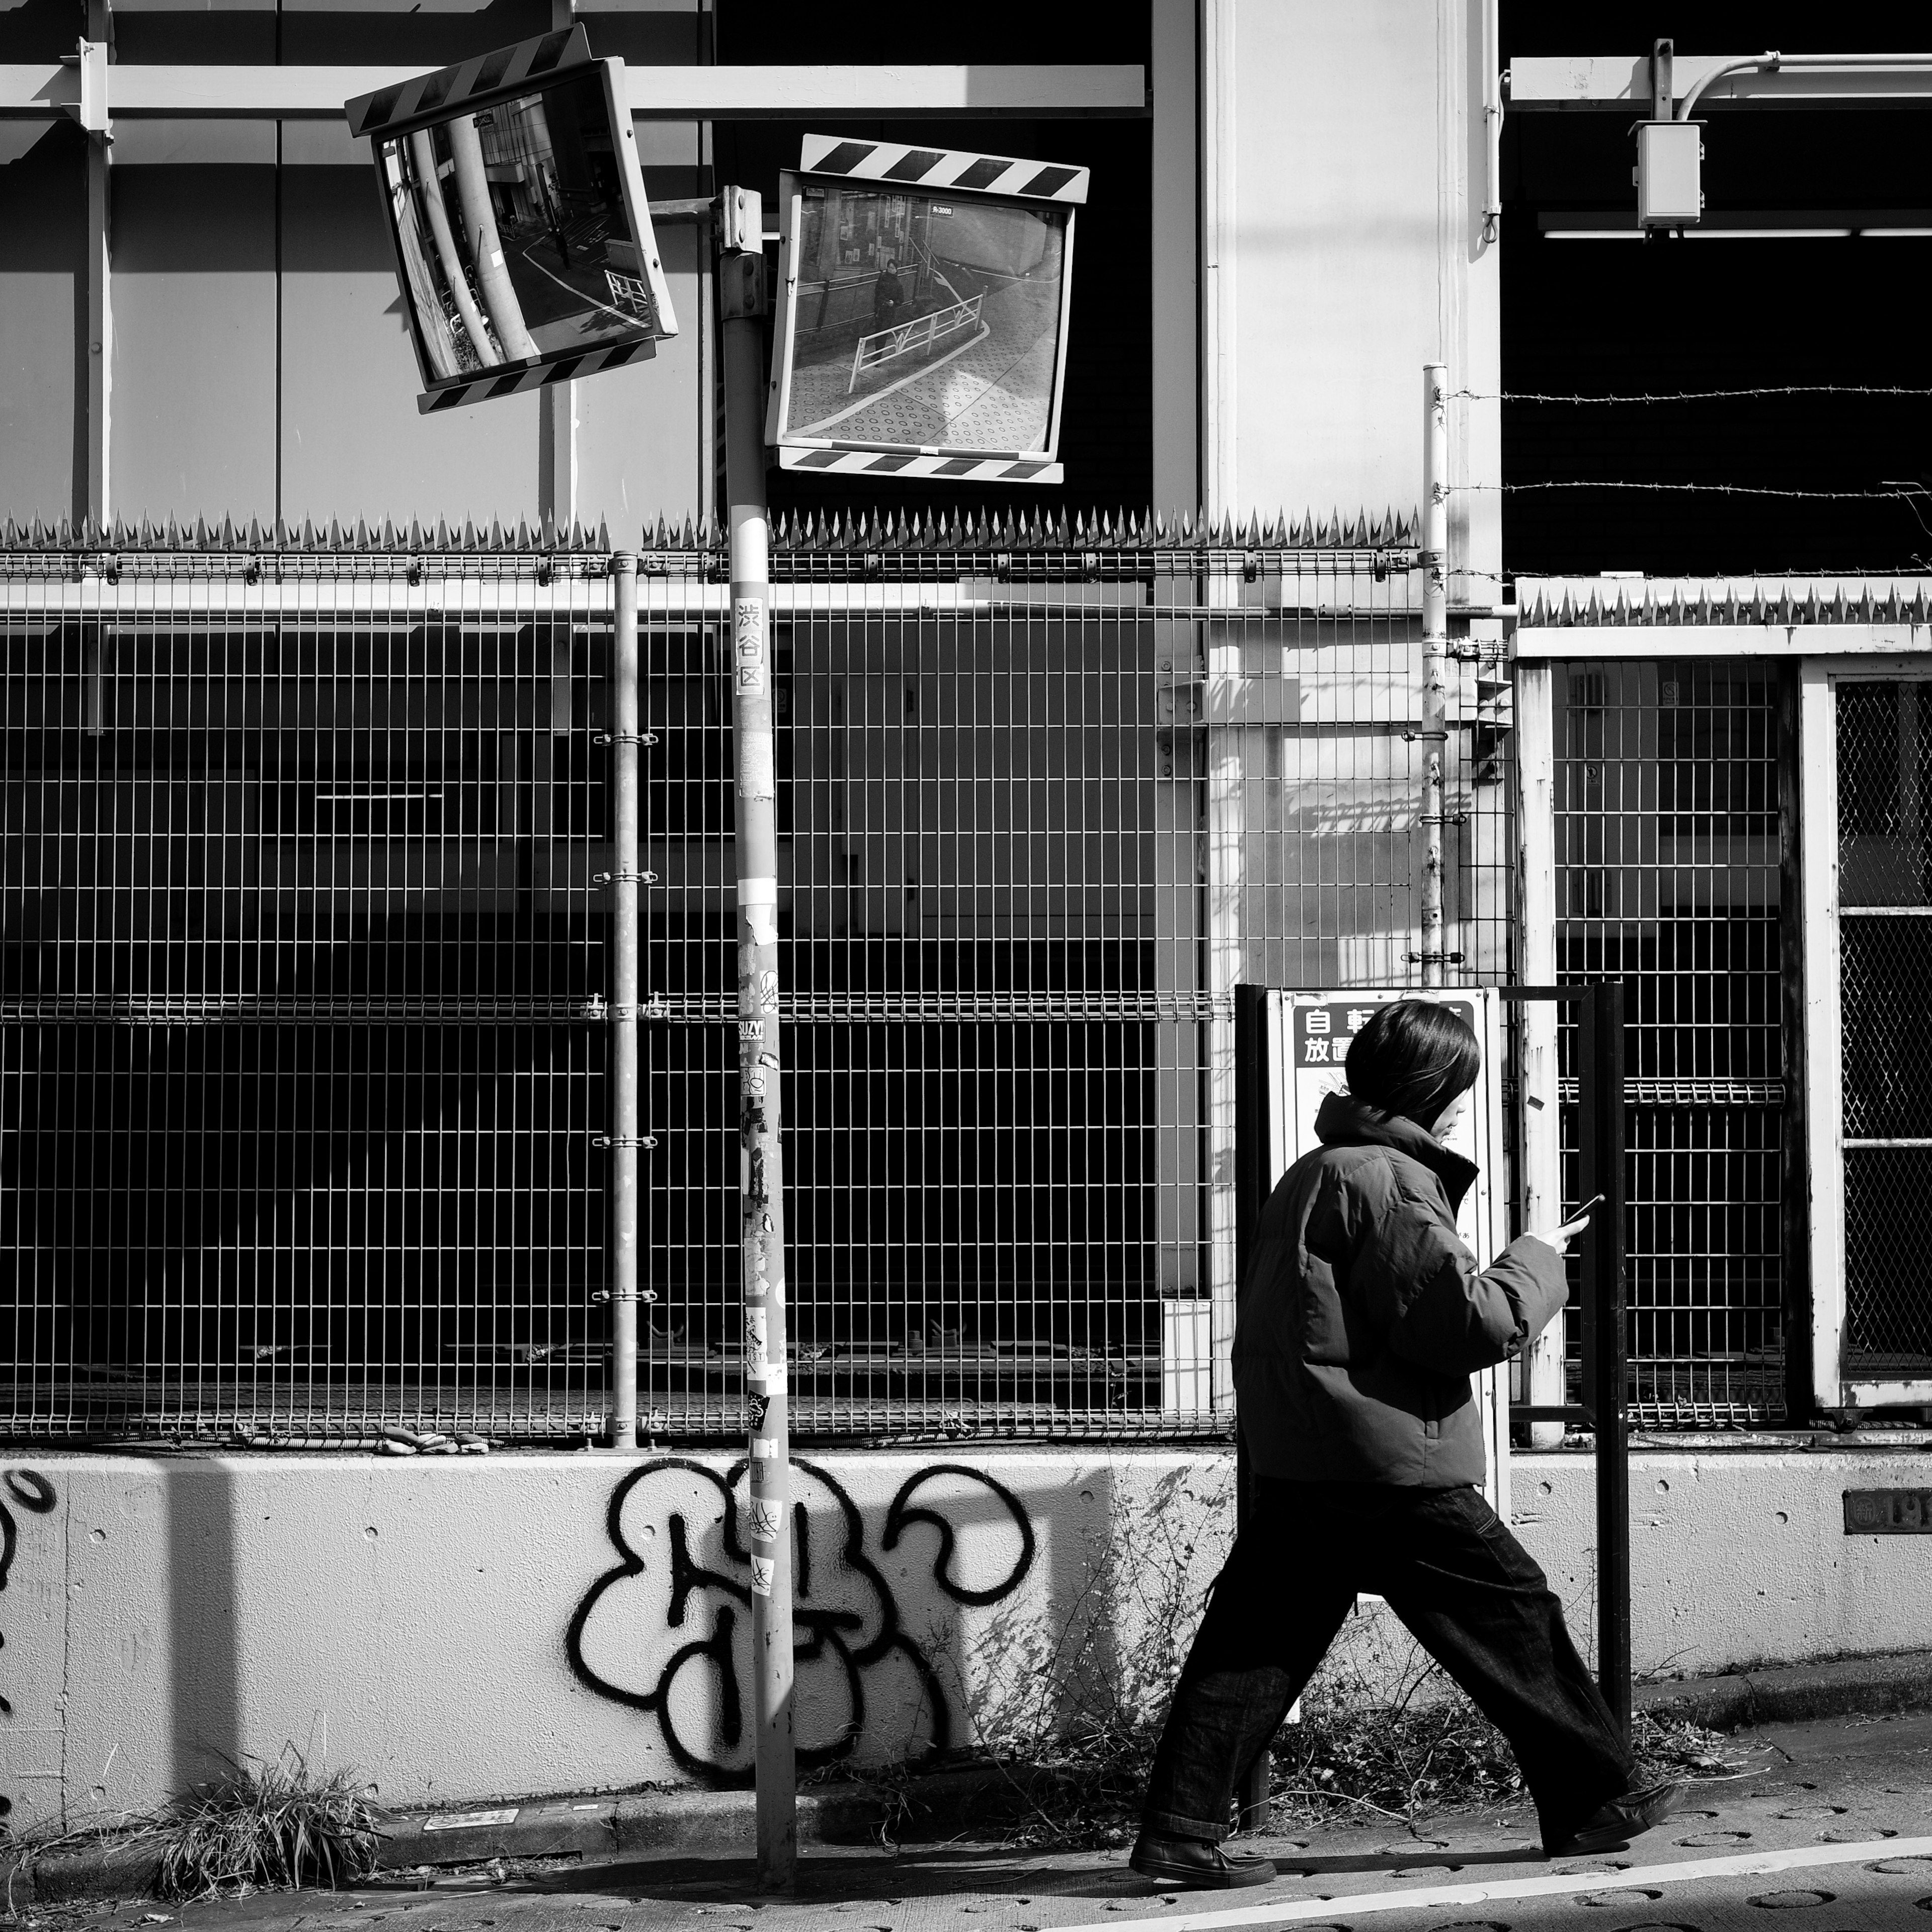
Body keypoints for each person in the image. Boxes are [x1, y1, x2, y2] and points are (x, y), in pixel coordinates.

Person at [1132, 999, 1683, 1891]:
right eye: (1459, 1087)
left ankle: (1180, 1833)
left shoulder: (1316, 1170)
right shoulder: (1389, 1181)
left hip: (1307, 1456)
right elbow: (1465, 1326)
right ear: (1430, 1088)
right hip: (1391, 1464)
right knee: (1515, 1618)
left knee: (1253, 1647)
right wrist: (1537, 1258)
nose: (1464, 1107)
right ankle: (1594, 1801)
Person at [873, 257, 905, 331]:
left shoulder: (898, 284)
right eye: (890, 268)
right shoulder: (882, 279)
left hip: (889, 311)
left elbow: (901, 299)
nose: (891, 270)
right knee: (878, 330)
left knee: (884, 330)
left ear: (896, 270)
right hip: (880, 308)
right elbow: (877, 292)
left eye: (893, 268)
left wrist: (894, 303)